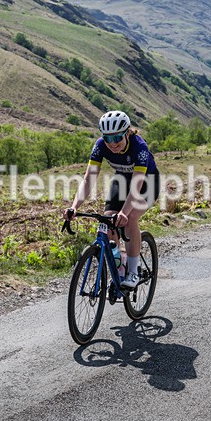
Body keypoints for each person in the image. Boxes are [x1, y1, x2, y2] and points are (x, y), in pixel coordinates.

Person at [63, 111, 160, 290]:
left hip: (146, 183)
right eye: (108, 138)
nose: (113, 143)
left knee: (129, 219)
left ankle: (133, 272)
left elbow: (137, 187)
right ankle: (120, 265)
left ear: (127, 133)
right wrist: (74, 207)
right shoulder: (100, 146)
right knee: (108, 221)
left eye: (117, 137)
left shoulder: (139, 147)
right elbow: (88, 179)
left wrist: (124, 212)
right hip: (122, 180)